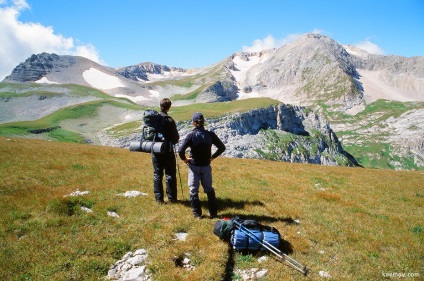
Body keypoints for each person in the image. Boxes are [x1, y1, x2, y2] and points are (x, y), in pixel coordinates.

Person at [178, 112, 226, 219]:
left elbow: (180, 150)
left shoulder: (191, 136)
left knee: (194, 190)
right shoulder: (210, 135)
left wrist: (185, 159)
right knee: (209, 189)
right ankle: (213, 213)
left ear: (193, 123)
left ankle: (197, 214)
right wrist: (212, 157)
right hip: (206, 166)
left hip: (194, 166)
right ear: (203, 122)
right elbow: (222, 147)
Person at [152, 98, 180, 204]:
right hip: (167, 150)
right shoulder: (169, 120)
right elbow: (175, 138)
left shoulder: (154, 119)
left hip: (155, 149)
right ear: (169, 107)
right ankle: (172, 198)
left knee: (157, 174)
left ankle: (159, 199)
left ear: (160, 106)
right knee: (170, 174)